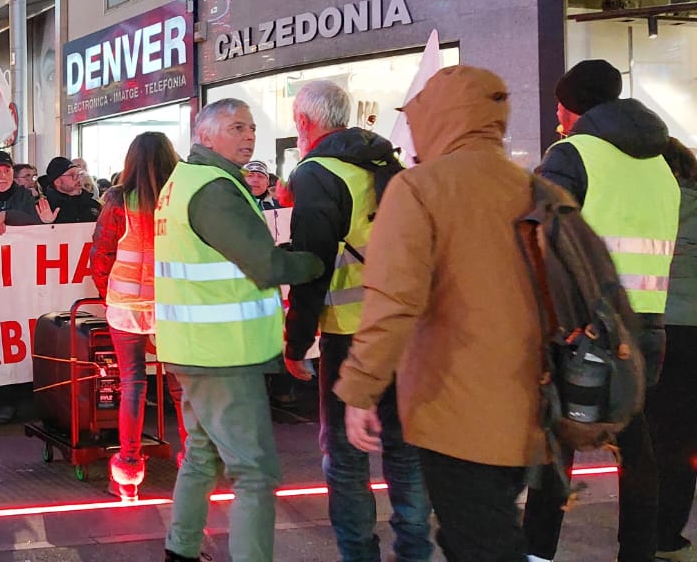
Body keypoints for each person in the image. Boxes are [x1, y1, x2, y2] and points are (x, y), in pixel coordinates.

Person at [335, 66, 547, 562]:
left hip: (457, 406)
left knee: (478, 542)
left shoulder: (420, 188)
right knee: (487, 532)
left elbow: (393, 301)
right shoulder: (535, 187)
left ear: (437, 119)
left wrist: (360, 390)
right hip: (531, 404)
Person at [154, 98, 323, 562]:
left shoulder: (188, 181)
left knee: (203, 457)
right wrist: (319, 261)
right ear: (205, 135)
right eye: (236, 127)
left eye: (250, 127)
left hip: (196, 350)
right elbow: (266, 265)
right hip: (223, 355)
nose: (248, 136)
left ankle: (182, 550)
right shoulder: (214, 189)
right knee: (255, 473)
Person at [524, 59, 678, 562]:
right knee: (637, 451)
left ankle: (536, 553)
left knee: (556, 442)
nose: (558, 120)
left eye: (560, 110)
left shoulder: (572, 155)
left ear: (573, 109)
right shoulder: (663, 163)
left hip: (580, 327)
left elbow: (539, 241)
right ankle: (639, 553)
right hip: (648, 325)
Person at [280, 80, 427, 562]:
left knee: (345, 455)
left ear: (304, 122)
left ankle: (359, 554)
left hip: (349, 335)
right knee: (405, 451)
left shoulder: (317, 172)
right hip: (404, 327)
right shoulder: (387, 162)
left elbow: (313, 265)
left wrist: (297, 340)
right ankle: (415, 551)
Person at [89, 131, 182, 501]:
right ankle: (194, 463)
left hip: (125, 305)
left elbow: (102, 253)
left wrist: (107, 294)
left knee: (133, 384)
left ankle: (128, 470)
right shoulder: (178, 198)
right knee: (180, 386)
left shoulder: (117, 199)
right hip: (172, 305)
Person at [651, 139, 697, 562]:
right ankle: (670, 536)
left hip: (655, 328)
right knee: (683, 440)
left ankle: (647, 533)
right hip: (695, 331)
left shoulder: (647, 204)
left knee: (651, 440)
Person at [41, 156, 101, 224]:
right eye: (72, 175)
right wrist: (47, 223)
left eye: (79, 174)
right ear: (57, 182)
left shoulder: (93, 204)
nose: (78, 179)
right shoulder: (44, 208)